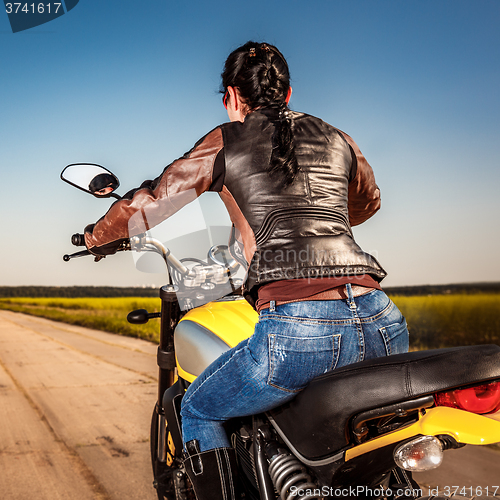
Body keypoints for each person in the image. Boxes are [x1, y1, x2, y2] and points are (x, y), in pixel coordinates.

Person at [84, 41, 409, 500]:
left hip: (302, 330)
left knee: (198, 408)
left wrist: (96, 234)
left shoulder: (227, 139)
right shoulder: (337, 137)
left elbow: (152, 202)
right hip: (383, 319)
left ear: (232, 97)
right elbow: (367, 201)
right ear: (288, 92)